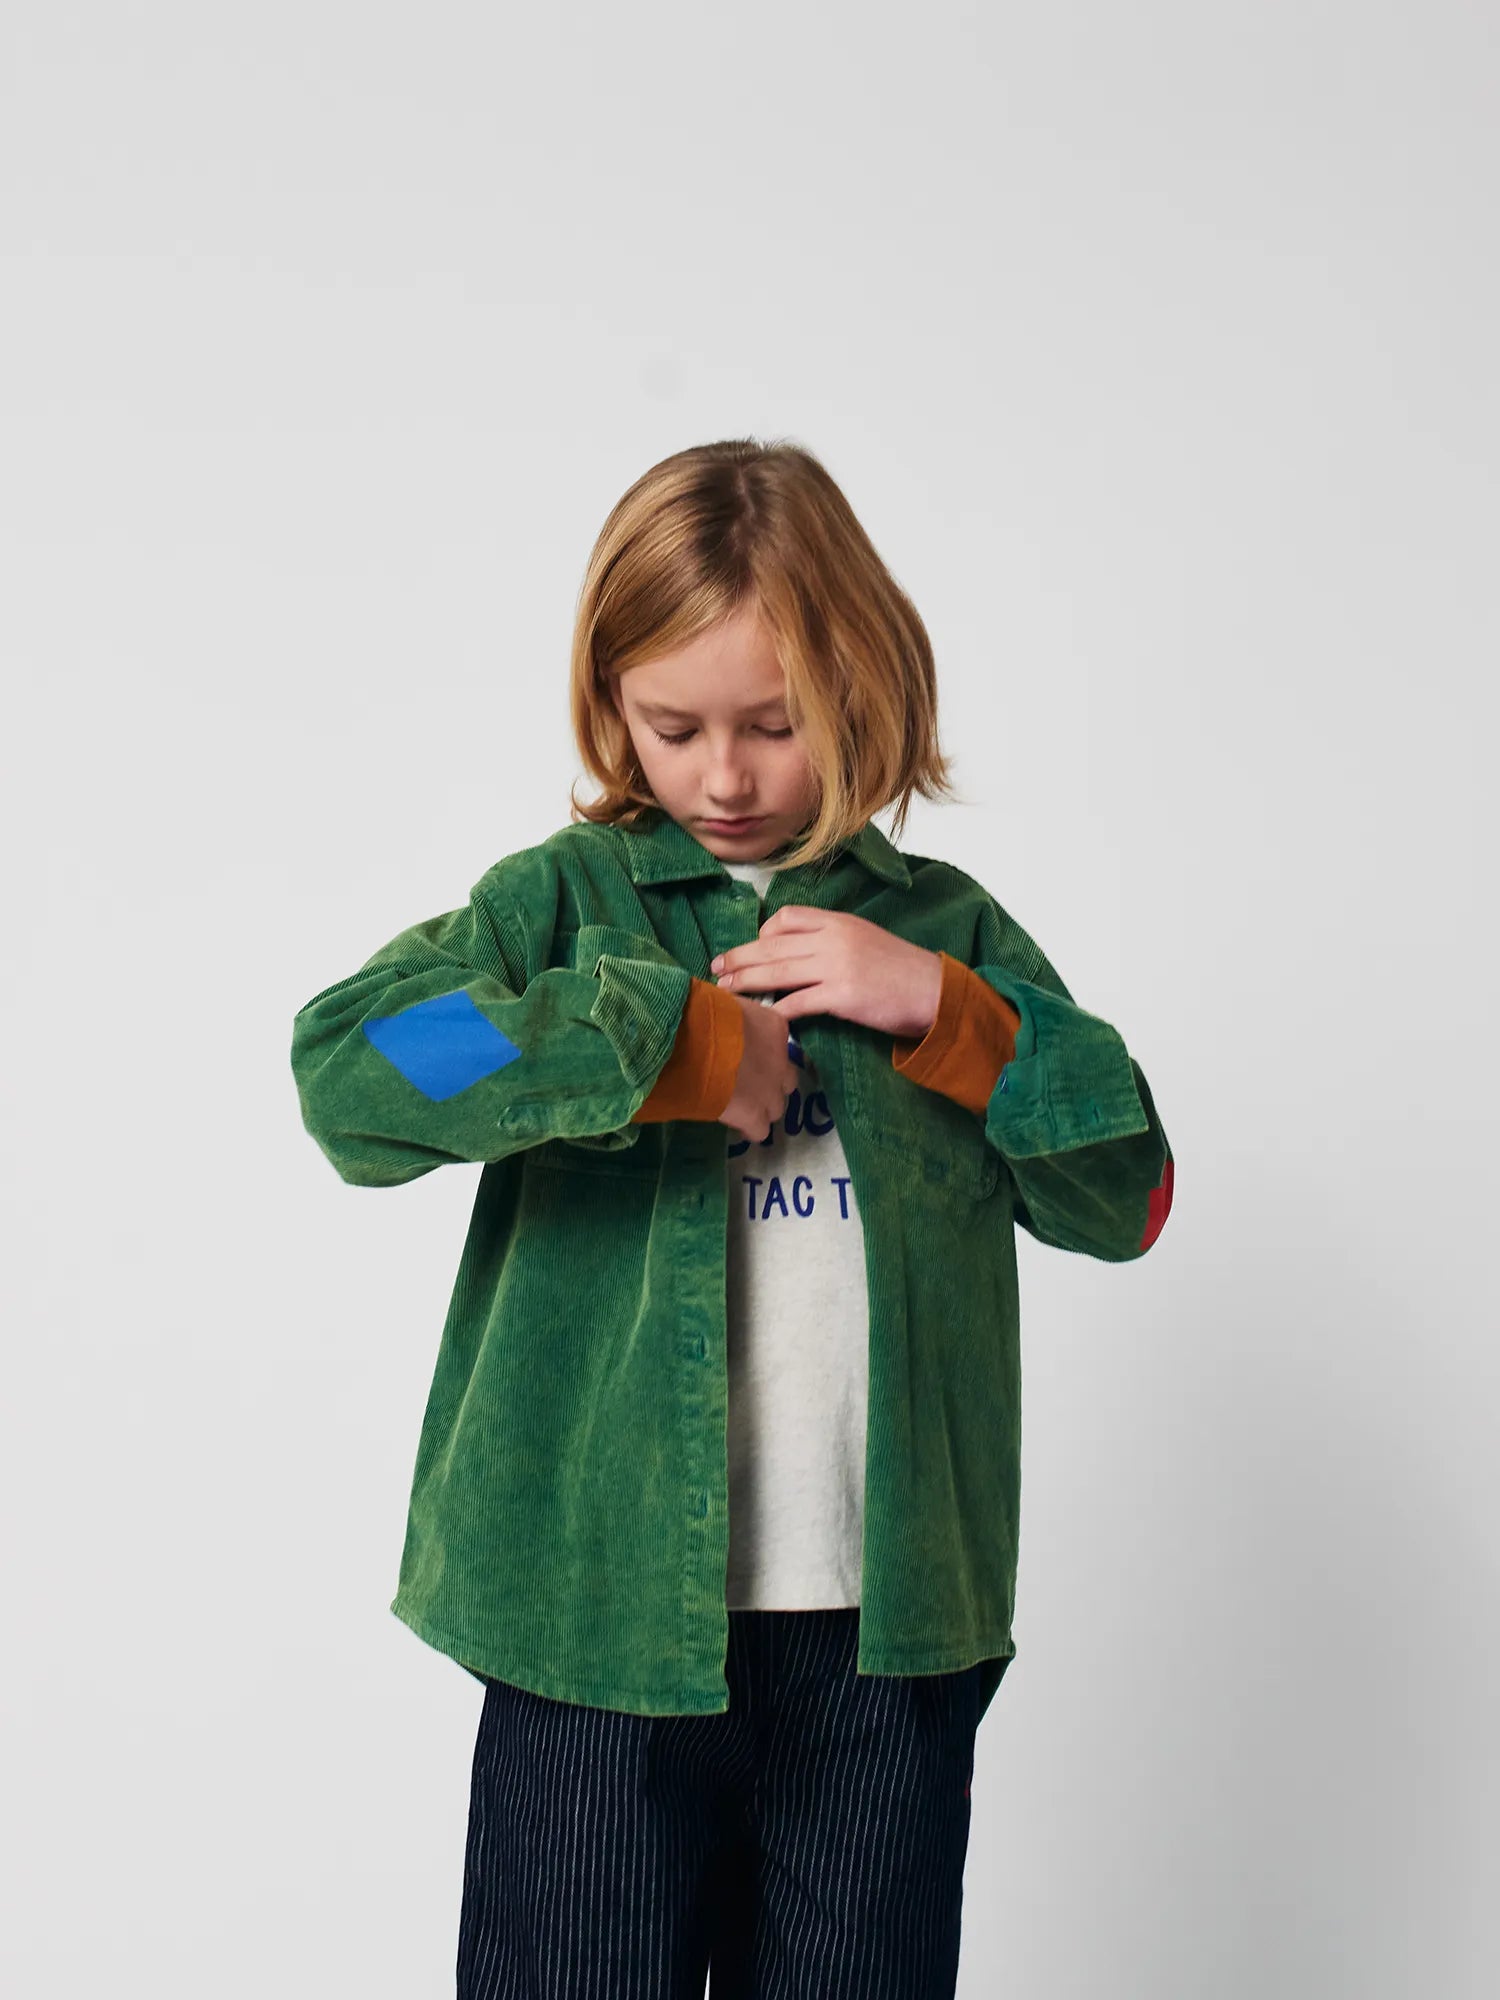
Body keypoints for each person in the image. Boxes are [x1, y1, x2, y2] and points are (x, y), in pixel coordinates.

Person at [289, 437, 1174, 1998]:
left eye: (776, 725)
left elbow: (1129, 1196)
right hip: (592, 1625)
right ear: (609, 702)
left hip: (886, 1641)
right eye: (674, 726)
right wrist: (657, 1048)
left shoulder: (950, 934)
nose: (726, 779)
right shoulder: (563, 906)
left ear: (863, 691)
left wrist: (953, 1015)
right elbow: (359, 1069)